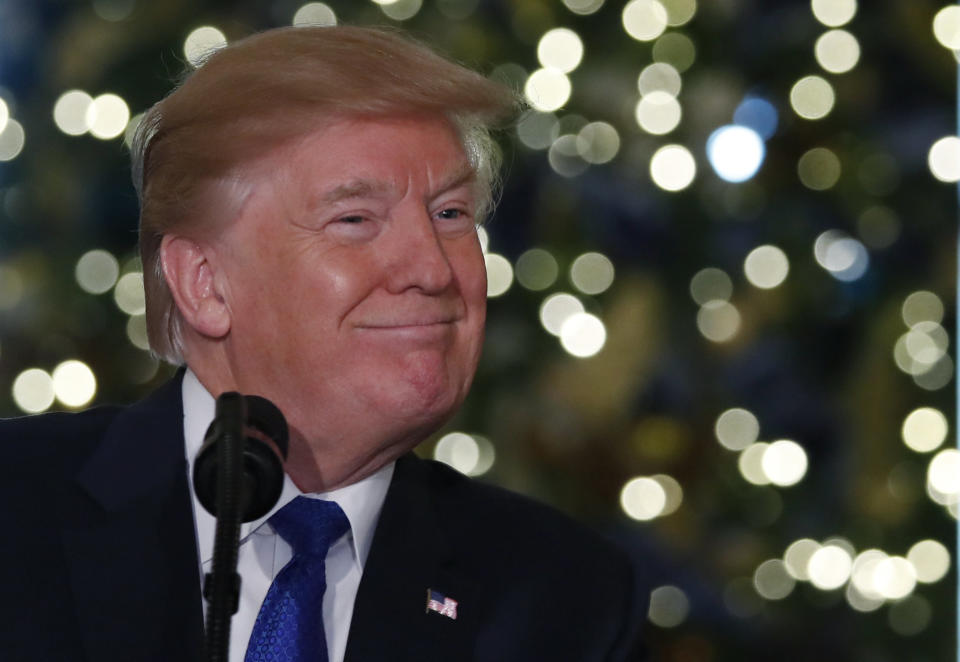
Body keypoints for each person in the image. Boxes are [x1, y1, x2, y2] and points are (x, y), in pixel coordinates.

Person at [0, 25, 646, 661]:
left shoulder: (565, 599)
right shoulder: (17, 508)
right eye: (356, 220)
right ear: (206, 285)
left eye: (450, 214)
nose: (433, 269)